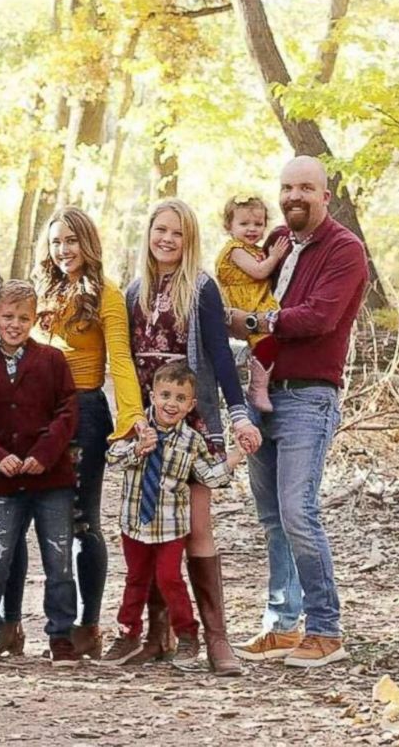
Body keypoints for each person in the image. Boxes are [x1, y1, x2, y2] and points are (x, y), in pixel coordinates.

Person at [230, 156, 367, 668]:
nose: (294, 197)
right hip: (262, 393)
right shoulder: (276, 245)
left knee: (298, 513)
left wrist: (250, 320)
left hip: (309, 396)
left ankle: (326, 630)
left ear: (325, 196)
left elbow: (318, 318)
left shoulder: (345, 249)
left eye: (306, 188)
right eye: (287, 187)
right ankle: (283, 625)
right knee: (272, 519)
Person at [125, 198, 260, 676]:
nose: (167, 239)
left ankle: (216, 640)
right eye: (160, 229)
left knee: (197, 527)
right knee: (150, 529)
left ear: (190, 240)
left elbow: (221, 357)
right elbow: (124, 364)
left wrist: (238, 415)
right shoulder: (134, 290)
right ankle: (159, 637)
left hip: (193, 425)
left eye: (177, 233)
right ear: (149, 233)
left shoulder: (201, 287)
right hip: (147, 427)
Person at [14, 205, 146, 660]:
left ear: (87, 243)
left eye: (71, 240)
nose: (63, 249)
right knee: (21, 516)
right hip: (35, 415)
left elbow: (121, 360)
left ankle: (85, 626)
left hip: (84, 413)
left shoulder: (106, 296)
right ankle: (13, 625)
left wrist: (131, 420)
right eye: (56, 242)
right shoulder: (40, 294)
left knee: (80, 522)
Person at [0, 280, 80, 667]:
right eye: (8, 317)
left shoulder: (51, 360)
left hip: (52, 479)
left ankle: (61, 634)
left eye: (24, 318)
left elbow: (67, 412)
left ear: (36, 319)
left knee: (59, 559)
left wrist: (44, 454)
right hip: (4, 480)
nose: (15, 324)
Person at [101, 363, 244, 666]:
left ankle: (188, 636)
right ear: (152, 396)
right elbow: (112, 458)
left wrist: (233, 459)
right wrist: (136, 449)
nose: (171, 403)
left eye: (180, 398)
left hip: (170, 526)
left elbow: (207, 476)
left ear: (191, 405)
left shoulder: (192, 440)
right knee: (136, 579)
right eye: (165, 395)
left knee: (169, 578)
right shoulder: (136, 428)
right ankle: (128, 634)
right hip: (135, 523)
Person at [214, 196, 290, 412]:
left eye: (258, 224)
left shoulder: (253, 249)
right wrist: (274, 256)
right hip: (248, 304)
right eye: (244, 224)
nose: (252, 229)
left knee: (270, 342)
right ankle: (257, 387)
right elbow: (259, 271)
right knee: (265, 340)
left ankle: (260, 380)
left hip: (258, 299)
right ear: (229, 226)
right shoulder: (235, 250)